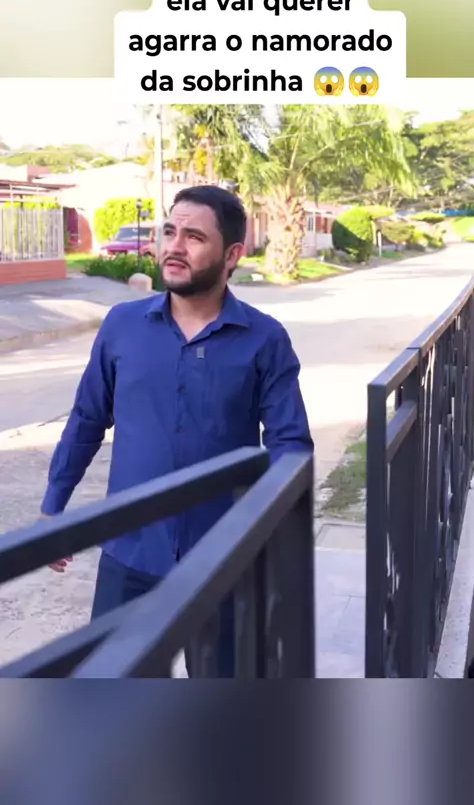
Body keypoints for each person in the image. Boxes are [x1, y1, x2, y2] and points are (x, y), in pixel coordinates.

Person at [40, 185, 314, 676]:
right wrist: (54, 508)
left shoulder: (265, 339)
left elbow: (290, 447)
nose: (174, 246)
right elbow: (87, 418)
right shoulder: (122, 326)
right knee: (110, 701)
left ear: (232, 255)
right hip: (130, 555)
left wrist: (269, 538)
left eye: (194, 237)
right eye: (170, 232)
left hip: (224, 563)